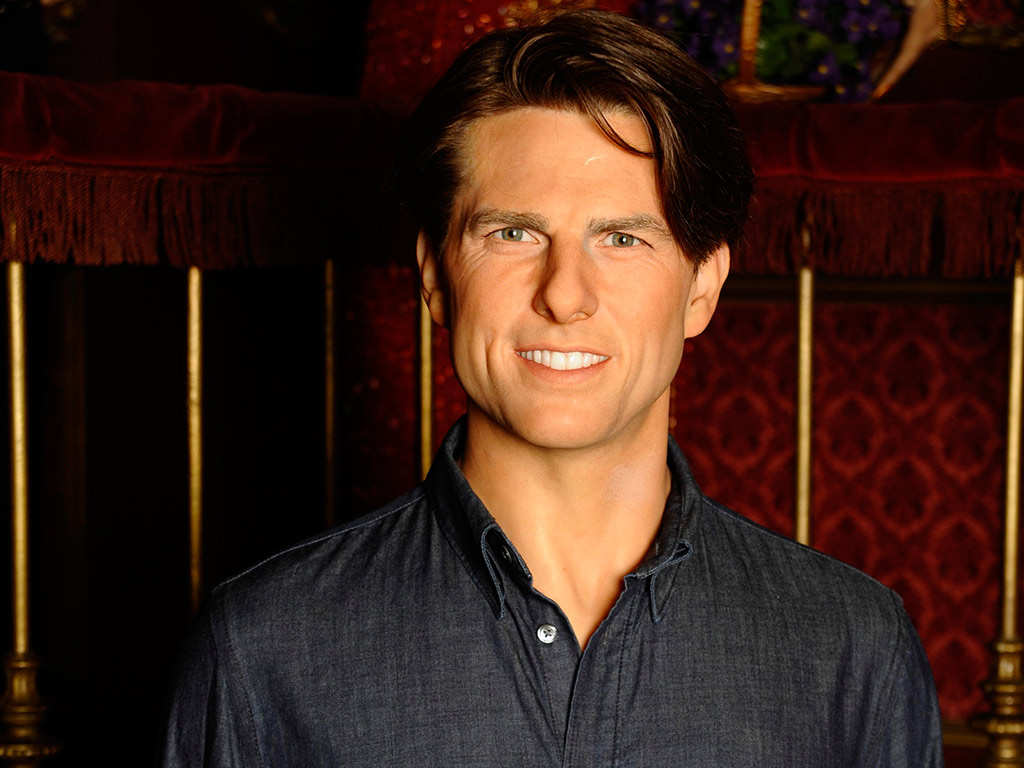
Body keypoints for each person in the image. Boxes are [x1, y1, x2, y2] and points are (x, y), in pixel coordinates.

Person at [158, 10, 944, 766]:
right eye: (513, 233)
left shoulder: (851, 647)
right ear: (434, 277)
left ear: (702, 286)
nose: (564, 295)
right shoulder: (265, 647)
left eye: (623, 238)